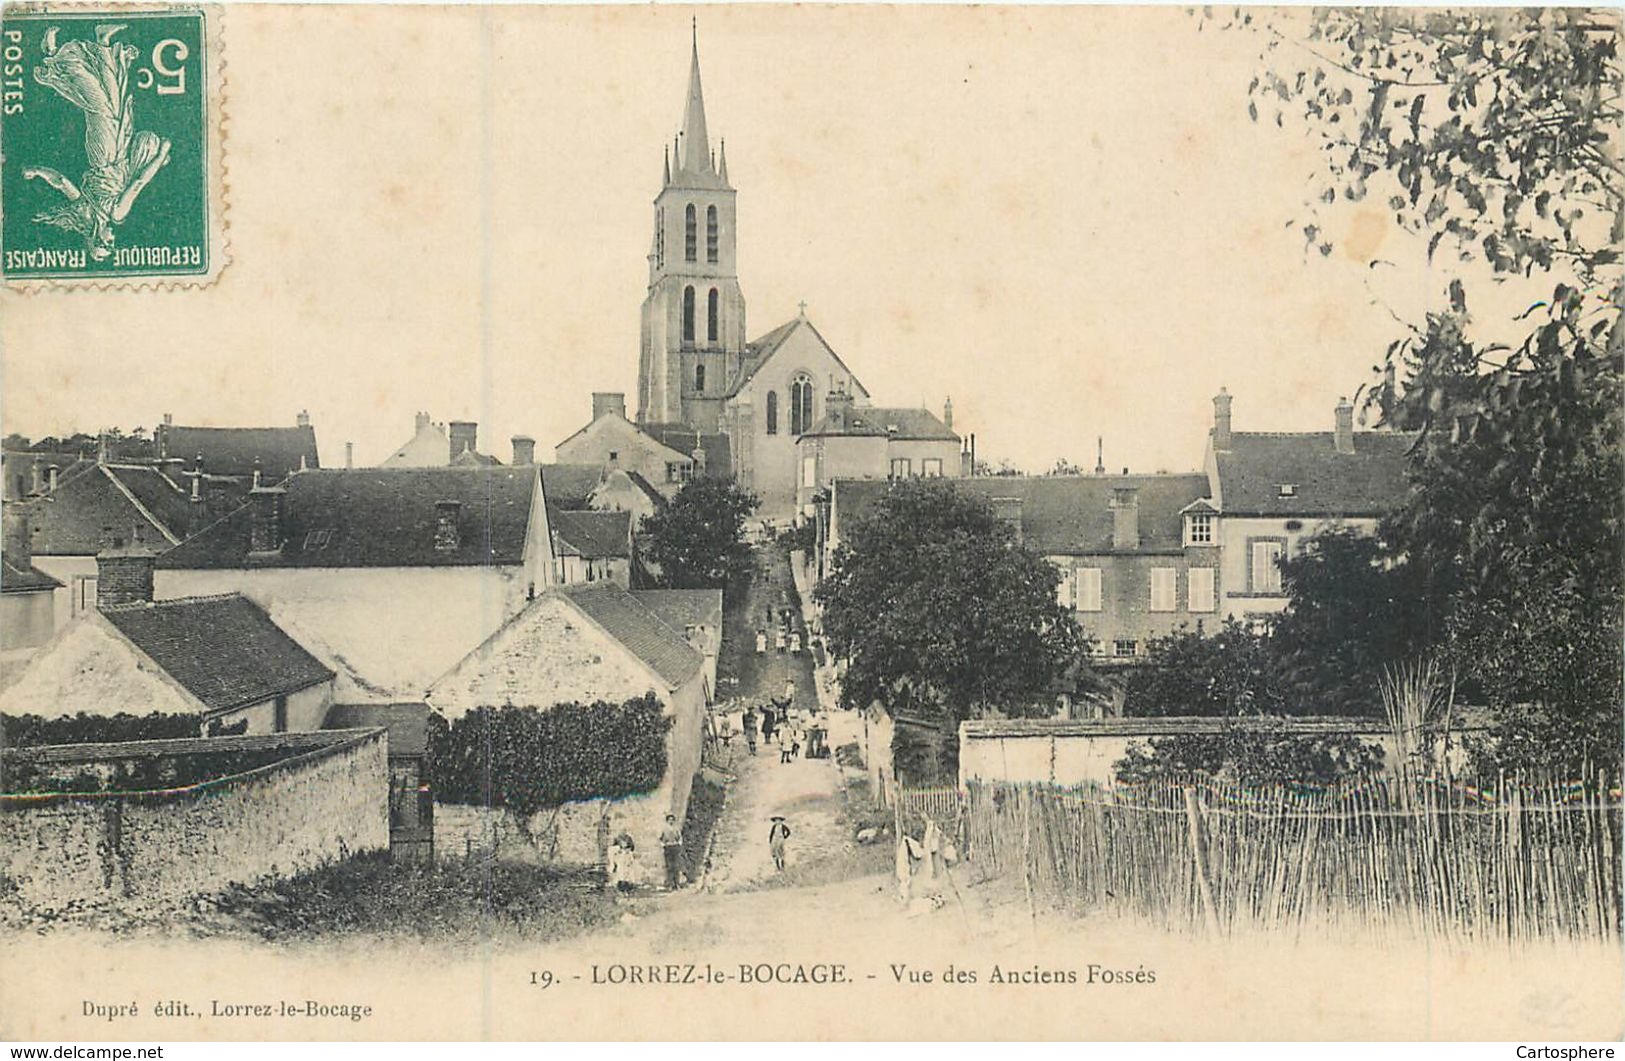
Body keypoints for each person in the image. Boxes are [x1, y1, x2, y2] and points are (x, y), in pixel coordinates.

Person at [659, 813, 684, 890]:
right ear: (667, 821)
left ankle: (677, 884)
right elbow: (660, 839)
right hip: (668, 848)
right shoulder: (664, 829)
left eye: (672, 820)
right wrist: (663, 844)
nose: (671, 821)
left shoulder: (676, 829)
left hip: (675, 847)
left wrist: (679, 843)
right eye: (669, 820)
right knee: (669, 866)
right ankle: (670, 884)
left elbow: (680, 838)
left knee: (676, 866)